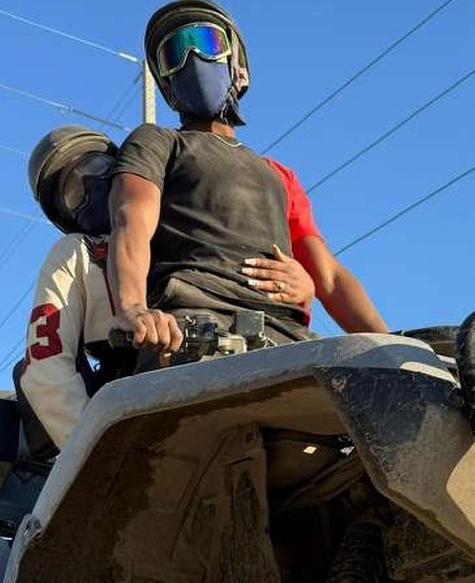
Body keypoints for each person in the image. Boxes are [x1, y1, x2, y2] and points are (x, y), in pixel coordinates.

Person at [108, 0, 388, 365]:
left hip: (288, 338)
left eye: (207, 43)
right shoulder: (158, 142)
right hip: (191, 330)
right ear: (168, 85)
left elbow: (330, 279)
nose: (192, 58)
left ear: (239, 71)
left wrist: (392, 348)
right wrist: (133, 306)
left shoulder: (279, 175)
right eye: (174, 54)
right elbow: (131, 218)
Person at [18, 124, 316, 455]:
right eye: (74, 191)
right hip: (142, 404)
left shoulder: (171, 221)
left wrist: (304, 286)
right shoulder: (78, 253)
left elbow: (242, 273)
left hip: (241, 364)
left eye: (97, 167)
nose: (91, 184)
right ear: (65, 214)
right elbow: (46, 365)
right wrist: (95, 451)